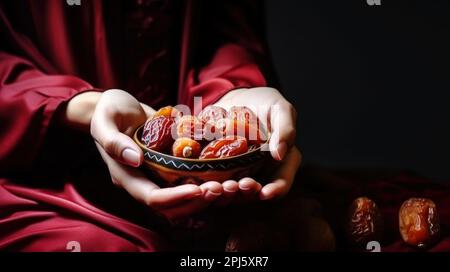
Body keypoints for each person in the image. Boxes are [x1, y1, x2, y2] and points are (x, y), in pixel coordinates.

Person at [0, 0, 301, 251]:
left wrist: (236, 88)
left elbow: (225, 27)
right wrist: (84, 107)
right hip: (40, 166)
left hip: (217, 181)